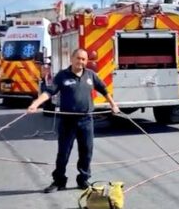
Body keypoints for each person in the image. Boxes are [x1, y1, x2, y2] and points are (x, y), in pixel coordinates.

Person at [28, 49, 120, 193]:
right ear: (71, 59)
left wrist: (113, 105)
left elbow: (104, 89)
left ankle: (83, 179)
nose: (81, 62)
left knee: (86, 151)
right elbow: (49, 92)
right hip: (67, 121)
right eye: (78, 58)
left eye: (84, 59)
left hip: (86, 120)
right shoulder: (62, 76)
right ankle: (59, 181)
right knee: (63, 153)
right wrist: (35, 103)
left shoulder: (90, 75)